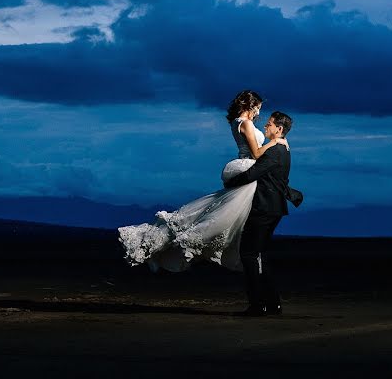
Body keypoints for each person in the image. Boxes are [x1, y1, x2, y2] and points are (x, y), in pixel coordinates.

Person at [117, 90, 288, 273]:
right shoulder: (245, 123)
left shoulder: (236, 122)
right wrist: (276, 142)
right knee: (224, 215)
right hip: (248, 165)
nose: (259, 113)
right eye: (258, 108)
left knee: (219, 209)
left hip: (246, 165)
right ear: (250, 105)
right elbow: (255, 153)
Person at [223, 111, 294, 316]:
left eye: (269, 125)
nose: (265, 127)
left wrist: (230, 182)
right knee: (259, 254)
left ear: (279, 129)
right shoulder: (283, 149)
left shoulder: (275, 151)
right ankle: (273, 304)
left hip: (264, 209)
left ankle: (257, 305)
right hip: (273, 208)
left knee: (249, 254)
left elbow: (253, 173)